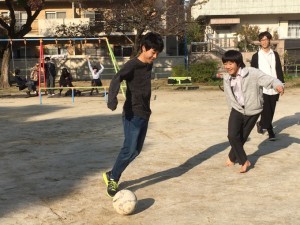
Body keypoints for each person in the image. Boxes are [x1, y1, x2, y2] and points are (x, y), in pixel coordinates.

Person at [103, 32, 164, 197]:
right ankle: (113, 178)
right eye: (152, 52)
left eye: (158, 53)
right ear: (143, 48)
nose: (155, 56)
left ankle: (111, 174)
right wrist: (112, 99)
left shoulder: (148, 65)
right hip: (132, 112)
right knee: (129, 149)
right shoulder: (132, 65)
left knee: (136, 151)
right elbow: (117, 77)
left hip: (145, 113)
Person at [222, 50, 284, 173]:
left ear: (238, 63)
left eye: (230, 63)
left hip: (253, 109)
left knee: (243, 136)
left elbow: (270, 80)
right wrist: (232, 111)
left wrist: (278, 85)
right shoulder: (227, 78)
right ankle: (244, 160)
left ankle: (233, 156)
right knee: (232, 135)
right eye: (225, 64)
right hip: (237, 109)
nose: (227, 67)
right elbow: (229, 97)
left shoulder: (253, 73)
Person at [251, 31, 285, 141]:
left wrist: (281, 84)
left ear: (269, 40)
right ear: (260, 42)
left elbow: (279, 69)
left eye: (266, 39)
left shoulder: (274, 54)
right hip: (262, 87)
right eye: (262, 40)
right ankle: (270, 132)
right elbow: (253, 73)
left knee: (271, 109)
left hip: (275, 86)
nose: (264, 42)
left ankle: (260, 123)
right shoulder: (256, 56)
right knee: (266, 110)